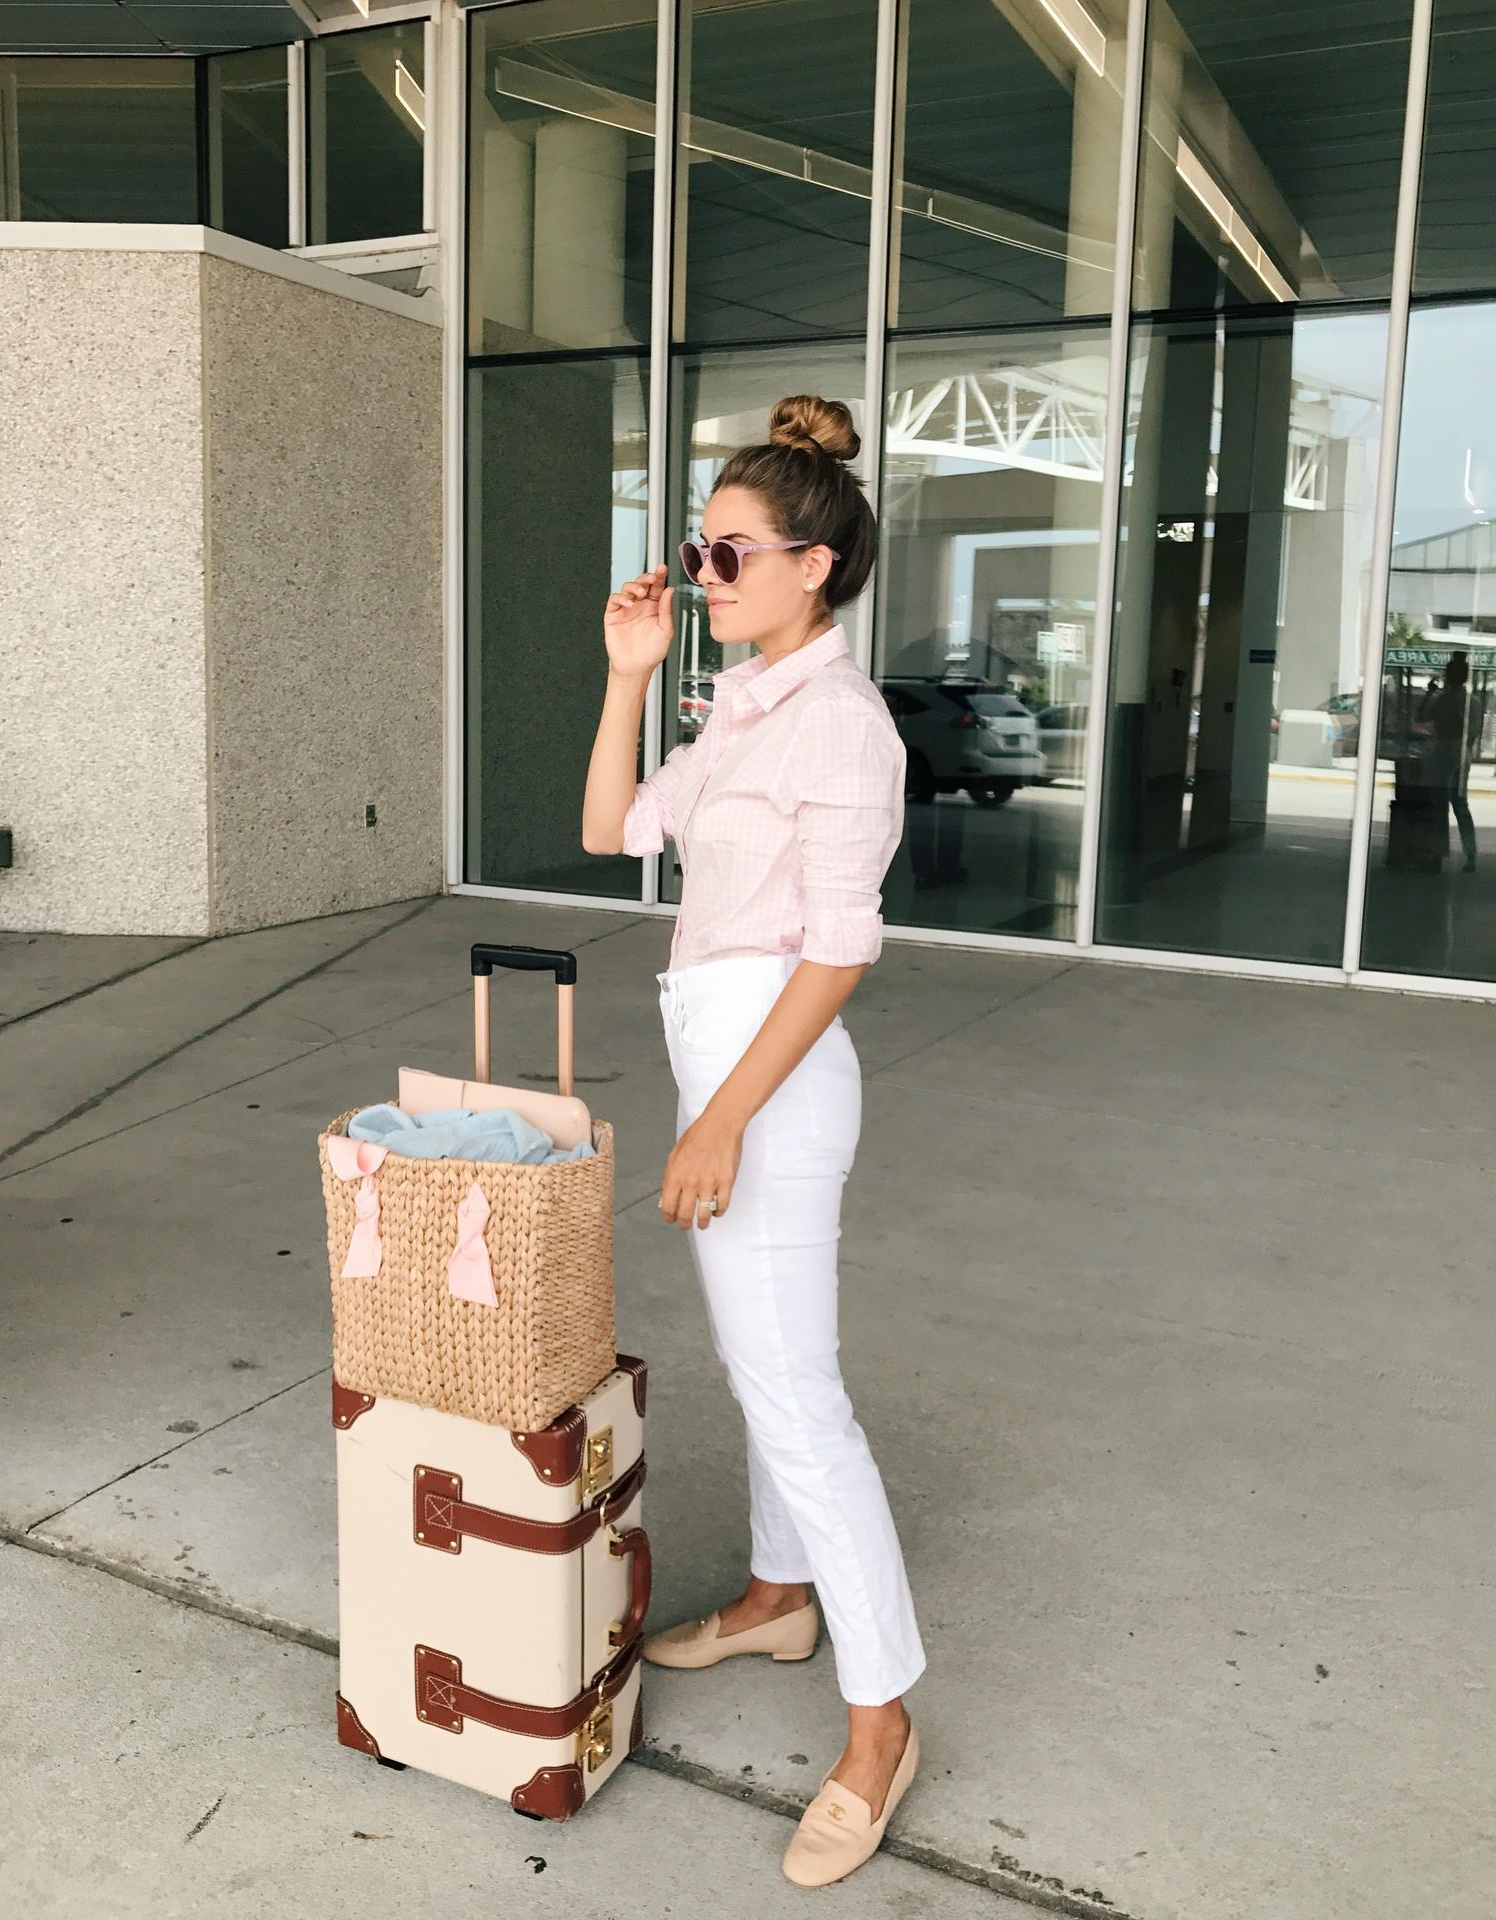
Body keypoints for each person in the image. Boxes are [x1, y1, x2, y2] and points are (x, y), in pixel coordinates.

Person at [581, 395, 925, 1889]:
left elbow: (838, 950)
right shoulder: (739, 710)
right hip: (722, 1063)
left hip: (767, 1085)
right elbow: (609, 830)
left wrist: (720, 1121)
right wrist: (628, 676)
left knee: (795, 1399)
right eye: (696, 550)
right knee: (764, 1367)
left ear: (813, 567)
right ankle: (780, 1600)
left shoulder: (843, 727)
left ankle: (880, 1724)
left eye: (726, 556)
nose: (699, 575)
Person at [1423, 652, 1480, 872]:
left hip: (1446, 750)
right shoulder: (1473, 702)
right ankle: (1470, 853)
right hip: (1461, 753)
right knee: (1459, 803)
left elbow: (1422, 716)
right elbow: (1473, 732)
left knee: (1441, 804)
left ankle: (1438, 853)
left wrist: (1431, 694)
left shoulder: (1447, 700)